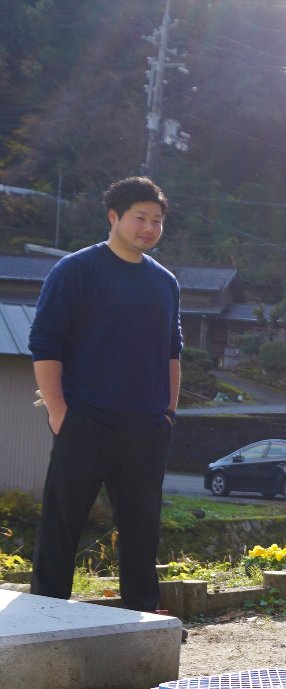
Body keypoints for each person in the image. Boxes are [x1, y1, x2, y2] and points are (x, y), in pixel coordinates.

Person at [29, 177, 181, 613]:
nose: (149, 228)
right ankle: (46, 612)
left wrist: (168, 413)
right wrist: (59, 412)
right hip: (85, 420)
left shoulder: (164, 282)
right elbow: (45, 344)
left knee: (142, 527)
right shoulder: (76, 270)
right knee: (62, 523)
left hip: (146, 427)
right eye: (140, 218)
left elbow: (173, 351)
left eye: (156, 220)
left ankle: (141, 613)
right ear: (113, 217)